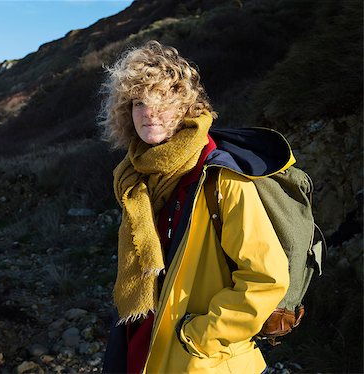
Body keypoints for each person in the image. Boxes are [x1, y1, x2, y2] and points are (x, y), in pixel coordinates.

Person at [99, 40, 291, 373]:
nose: (150, 112)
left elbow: (266, 278)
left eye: (163, 99)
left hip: (198, 360)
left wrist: (199, 338)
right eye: (139, 102)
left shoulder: (221, 178)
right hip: (144, 348)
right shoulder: (137, 180)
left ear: (186, 107)